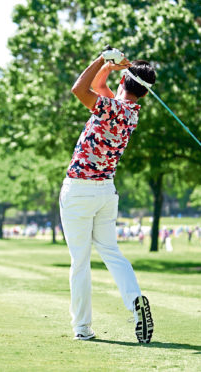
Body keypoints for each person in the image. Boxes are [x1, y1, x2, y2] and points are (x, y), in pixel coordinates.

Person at [60, 46, 155, 343]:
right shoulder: (131, 113)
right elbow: (99, 86)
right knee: (111, 252)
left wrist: (102, 59)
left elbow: (80, 89)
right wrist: (112, 68)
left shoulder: (110, 108)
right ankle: (135, 300)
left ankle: (83, 328)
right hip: (105, 192)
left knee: (80, 262)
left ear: (125, 83)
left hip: (79, 191)